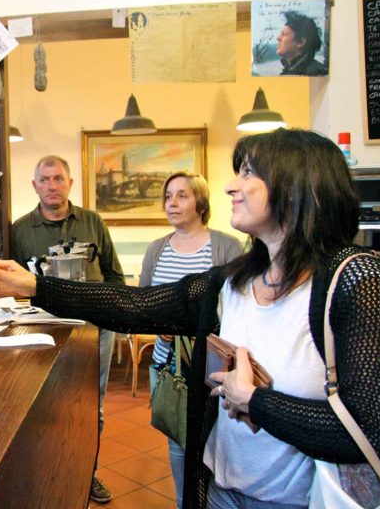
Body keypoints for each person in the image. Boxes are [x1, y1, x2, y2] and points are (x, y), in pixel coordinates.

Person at [0, 129, 380, 508]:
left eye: (248, 172)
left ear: (295, 186)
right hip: (220, 490)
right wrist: (36, 288)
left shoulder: (357, 279)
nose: (232, 187)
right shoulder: (232, 283)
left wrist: (255, 401)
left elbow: (364, 432)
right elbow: (136, 305)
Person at [0, 155, 124, 504]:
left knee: (91, 406)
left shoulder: (94, 222)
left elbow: (114, 276)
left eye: (58, 178)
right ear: (34, 185)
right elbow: (10, 286)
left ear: (70, 183)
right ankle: (48, 473)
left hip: (93, 329)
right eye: (45, 179)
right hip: (41, 330)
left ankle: (89, 473)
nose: (52, 185)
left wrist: (114, 318)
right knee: (42, 405)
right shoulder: (19, 230)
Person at [140, 171, 242, 508]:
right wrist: (158, 323)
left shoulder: (227, 246)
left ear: (200, 202)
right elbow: (143, 302)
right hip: (167, 364)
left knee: (218, 440)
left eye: (182, 195)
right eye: (168, 196)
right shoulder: (157, 249)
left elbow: (237, 306)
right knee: (179, 445)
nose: (172, 202)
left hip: (212, 369)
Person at [277, 11, 328, 76]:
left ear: (301, 42)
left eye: (283, 34)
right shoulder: (288, 71)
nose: (278, 38)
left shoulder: (319, 74)